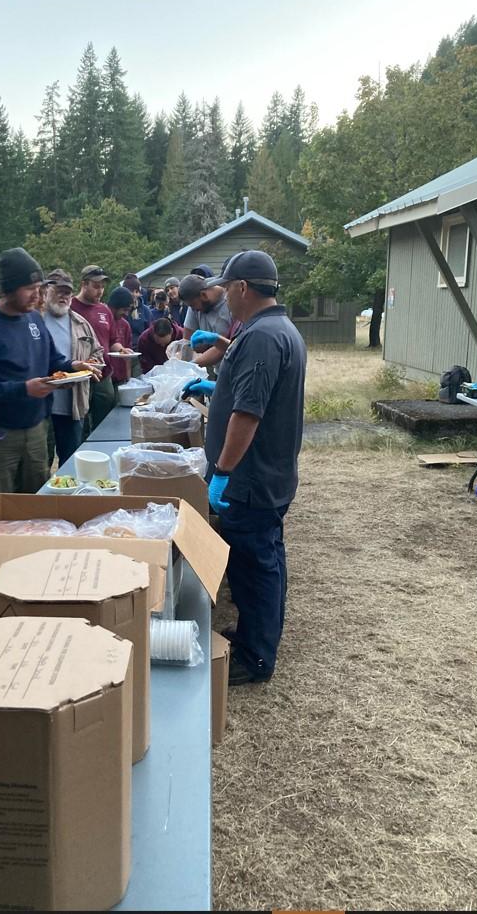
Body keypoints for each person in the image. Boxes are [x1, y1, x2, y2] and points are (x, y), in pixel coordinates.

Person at [182, 250, 307, 686]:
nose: (222, 297)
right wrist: (215, 384)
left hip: (251, 477)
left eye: (224, 288)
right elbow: (252, 390)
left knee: (256, 564)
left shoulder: (261, 337)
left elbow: (247, 414)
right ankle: (258, 633)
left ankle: (255, 657)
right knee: (265, 557)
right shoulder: (275, 330)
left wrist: (223, 472)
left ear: (241, 288)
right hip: (268, 473)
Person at [0, 247, 101, 501]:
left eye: (40, 288)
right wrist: (24, 389)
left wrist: (72, 367)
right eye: (29, 289)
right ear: (8, 289)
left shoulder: (34, 320)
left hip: (35, 430)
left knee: (36, 503)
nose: (37, 296)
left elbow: (51, 360)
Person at [42, 269, 104, 465]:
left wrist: (91, 364)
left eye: (67, 292)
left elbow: (98, 351)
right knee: (41, 464)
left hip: (74, 404)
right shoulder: (34, 320)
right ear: (46, 290)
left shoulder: (81, 323)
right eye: (58, 290)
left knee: (70, 464)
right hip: (42, 405)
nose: (64, 296)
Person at [71, 264, 125, 434]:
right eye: (95, 286)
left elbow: (112, 339)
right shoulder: (70, 306)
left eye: (102, 287)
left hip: (103, 373)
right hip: (80, 375)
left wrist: (121, 349)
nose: (100, 291)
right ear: (84, 284)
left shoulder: (105, 310)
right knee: (81, 423)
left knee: (105, 421)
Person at [178, 273, 233, 376]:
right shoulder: (195, 304)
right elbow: (187, 342)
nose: (193, 309)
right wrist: (181, 364)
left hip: (234, 370)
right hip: (217, 372)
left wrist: (190, 366)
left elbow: (223, 348)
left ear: (203, 295)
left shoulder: (230, 302)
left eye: (193, 305)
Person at [107, 287, 135, 387]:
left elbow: (128, 356)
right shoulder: (103, 320)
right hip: (105, 377)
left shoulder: (125, 325)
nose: (126, 314)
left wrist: (128, 380)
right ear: (114, 306)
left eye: (128, 310)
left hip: (121, 379)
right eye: (124, 310)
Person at [122, 274, 152, 341]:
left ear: (137, 292)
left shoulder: (146, 311)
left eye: (129, 292)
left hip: (139, 348)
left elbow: (150, 334)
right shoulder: (119, 310)